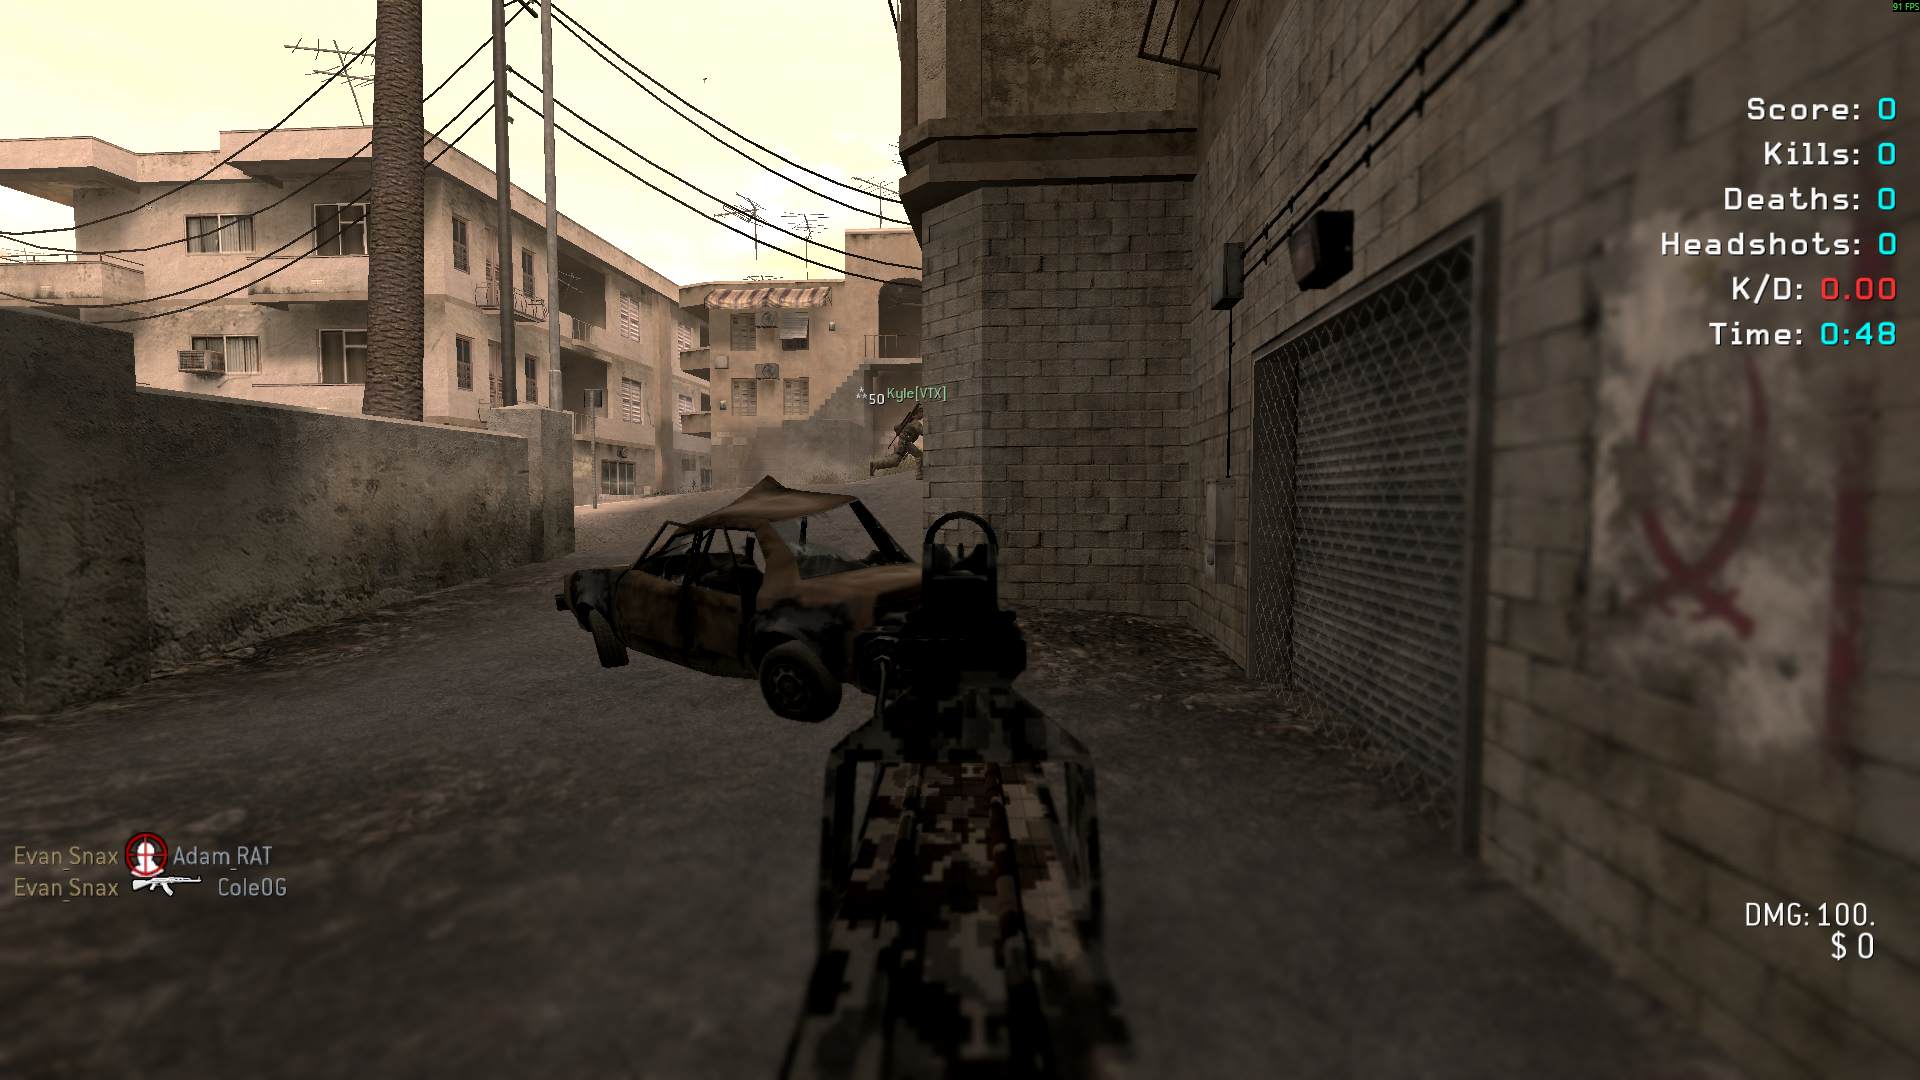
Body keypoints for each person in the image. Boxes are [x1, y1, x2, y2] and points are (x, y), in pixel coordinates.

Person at [870, 403, 927, 479]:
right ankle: (919, 474)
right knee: (919, 455)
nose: (923, 415)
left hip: (902, 442)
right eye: (922, 413)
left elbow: (896, 427)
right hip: (906, 443)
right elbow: (923, 432)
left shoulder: (909, 421)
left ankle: (875, 464)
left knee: (895, 461)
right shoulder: (915, 423)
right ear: (918, 413)